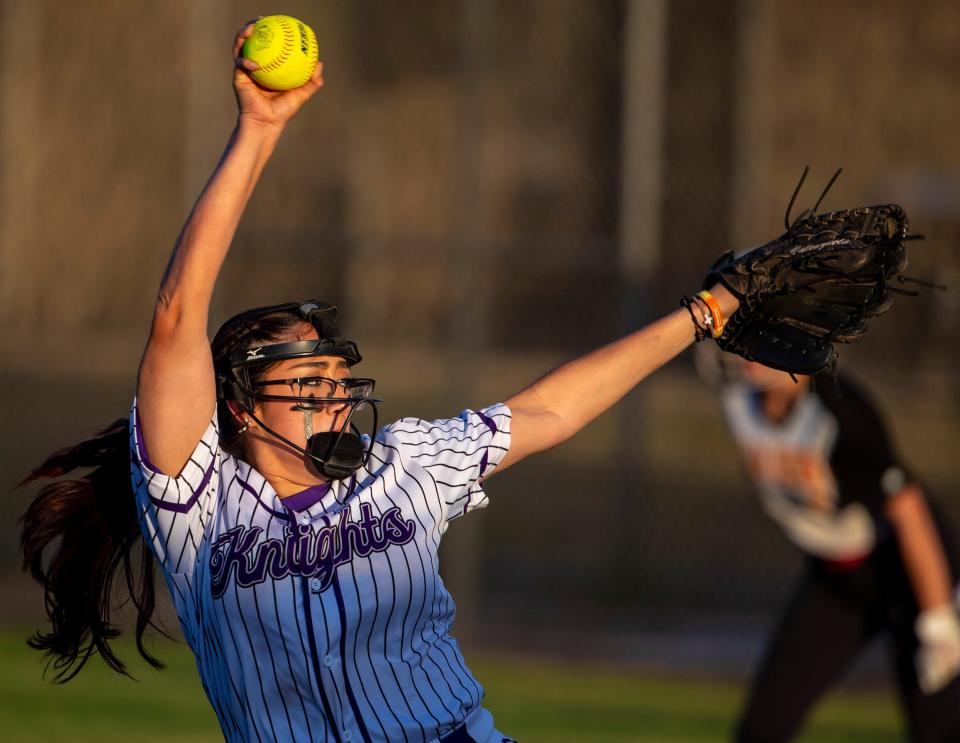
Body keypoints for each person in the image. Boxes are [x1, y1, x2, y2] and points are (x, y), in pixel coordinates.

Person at [18, 20, 746, 743]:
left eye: (339, 377)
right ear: (239, 406)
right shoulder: (197, 506)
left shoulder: (405, 465)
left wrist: (704, 312)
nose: (335, 394)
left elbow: (551, 409)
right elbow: (178, 315)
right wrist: (259, 132)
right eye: (309, 380)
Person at [716, 359, 960, 743]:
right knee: (762, 726)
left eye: (764, 336)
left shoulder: (838, 411)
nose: (749, 354)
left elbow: (910, 508)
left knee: (938, 728)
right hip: (837, 575)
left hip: (904, 571)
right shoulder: (739, 397)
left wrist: (938, 622)